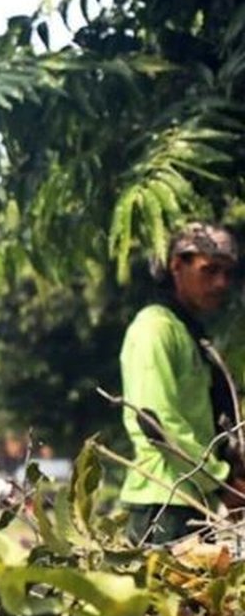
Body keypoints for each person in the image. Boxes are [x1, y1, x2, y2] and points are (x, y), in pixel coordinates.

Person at [120, 222, 245, 545]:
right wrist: (222, 483)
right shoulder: (155, 328)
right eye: (209, 270)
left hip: (194, 501)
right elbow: (155, 422)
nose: (221, 282)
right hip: (163, 503)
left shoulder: (190, 334)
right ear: (177, 265)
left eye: (227, 273)